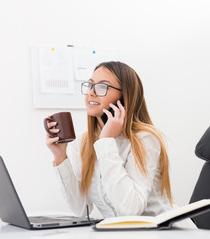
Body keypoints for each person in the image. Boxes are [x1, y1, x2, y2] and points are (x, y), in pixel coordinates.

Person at [45, 61, 195, 227]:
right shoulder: (84, 142)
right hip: (121, 234)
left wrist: (106, 142)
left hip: (164, 233)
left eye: (102, 87)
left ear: (124, 98)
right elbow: (81, 209)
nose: (91, 93)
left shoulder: (144, 139)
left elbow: (130, 211)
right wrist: (60, 157)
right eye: (90, 85)